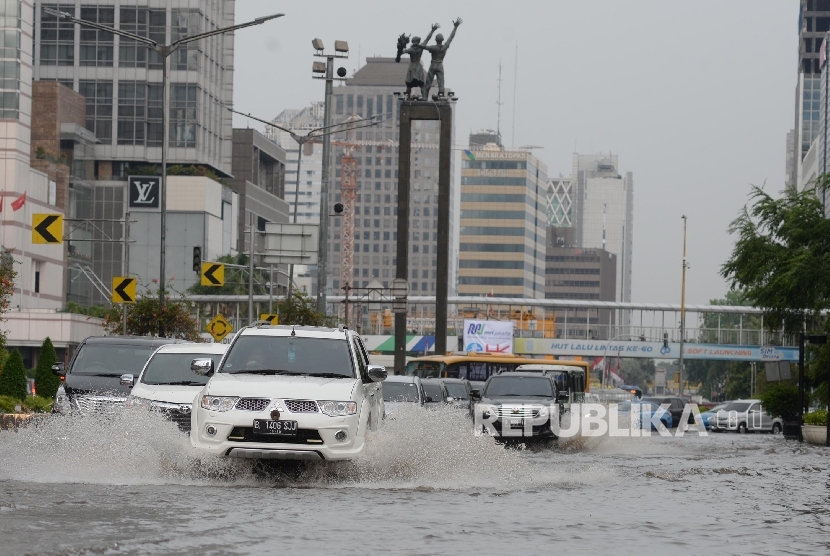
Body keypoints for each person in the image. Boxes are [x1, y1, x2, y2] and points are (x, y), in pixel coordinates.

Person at [420, 18, 462, 98]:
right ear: (442, 40)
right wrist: (455, 27)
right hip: (439, 65)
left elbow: (423, 46)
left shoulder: (433, 47)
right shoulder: (444, 47)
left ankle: (425, 97)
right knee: (441, 82)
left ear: (436, 40)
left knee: (428, 82)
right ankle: (441, 95)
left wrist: (432, 31)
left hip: (433, 65)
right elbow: (451, 37)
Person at [397, 23, 439, 99]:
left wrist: (400, 48)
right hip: (418, 66)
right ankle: (424, 97)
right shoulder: (420, 48)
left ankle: (408, 97)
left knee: (409, 84)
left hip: (412, 66)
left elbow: (402, 52)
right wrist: (432, 30)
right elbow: (427, 39)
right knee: (421, 84)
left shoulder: (411, 49)